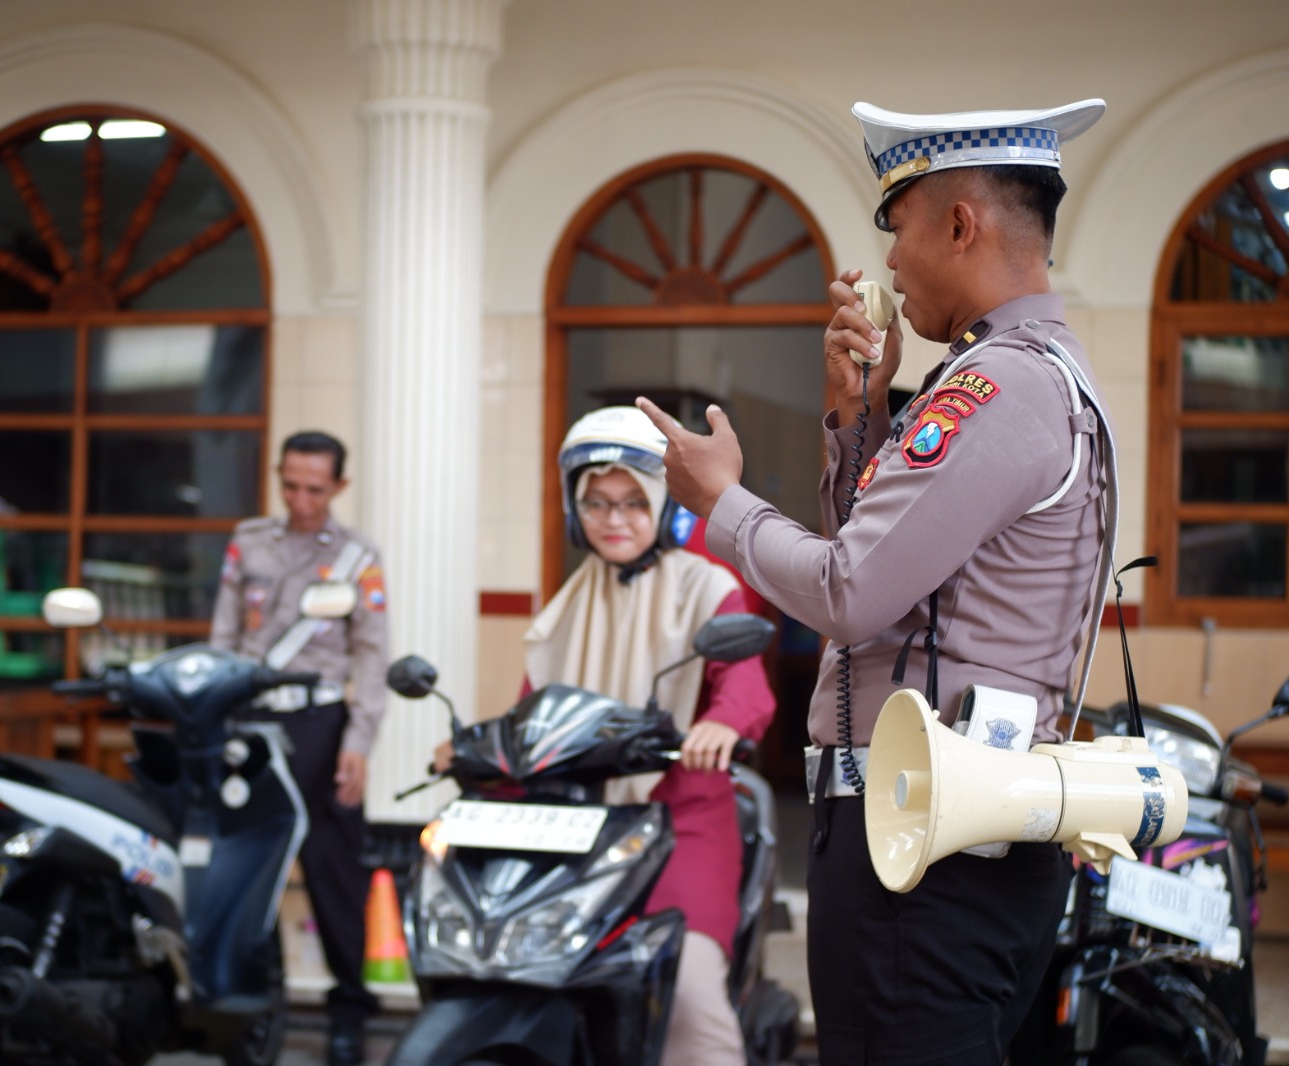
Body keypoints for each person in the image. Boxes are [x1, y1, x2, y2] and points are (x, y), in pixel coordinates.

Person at [640, 98, 1113, 1065]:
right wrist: (858, 416)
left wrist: (721, 502)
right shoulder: (1024, 373)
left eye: (897, 228)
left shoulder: (997, 384)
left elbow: (850, 593)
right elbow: (891, 573)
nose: (889, 262)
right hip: (948, 827)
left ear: (959, 223)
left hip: (924, 847)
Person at [435, 406, 778, 1066]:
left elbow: (746, 686)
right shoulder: (568, 603)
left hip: (682, 819)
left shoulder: (708, 587)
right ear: (574, 509)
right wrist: (476, 748)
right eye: (595, 503)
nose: (613, 520)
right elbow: (531, 716)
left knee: (686, 989)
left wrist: (719, 723)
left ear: (661, 503)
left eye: (631, 502)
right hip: (578, 825)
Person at [209, 430, 388, 1066]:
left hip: (320, 725)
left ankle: (349, 1010)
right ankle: (244, 998)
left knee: (334, 872)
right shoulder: (249, 541)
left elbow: (371, 656)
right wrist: (219, 720)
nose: (301, 498)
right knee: (241, 866)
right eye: (290, 485)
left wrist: (359, 741)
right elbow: (225, 638)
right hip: (251, 724)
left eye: (315, 488)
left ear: (339, 486)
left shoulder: (357, 555)